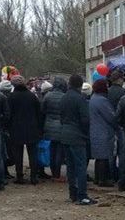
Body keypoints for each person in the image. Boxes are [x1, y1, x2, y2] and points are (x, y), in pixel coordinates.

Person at [59, 75, 96, 205]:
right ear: (80, 85)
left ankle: (72, 193)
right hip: (77, 136)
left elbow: (61, 117)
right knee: (80, 167)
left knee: (70, 166)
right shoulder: (80, 99)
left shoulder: (64, 98)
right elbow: (85, 120)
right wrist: (86, 134)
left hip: (65, 134)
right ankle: (82, 195)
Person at [7, 75, 43, 185]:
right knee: (33, 154)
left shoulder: (11, 97)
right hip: (32, 128)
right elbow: (39, 113)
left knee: (18, 154)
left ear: (13, 84)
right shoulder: (32, 96)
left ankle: (19, 176)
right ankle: (33, 176)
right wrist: (40, 128)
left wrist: (8, 127)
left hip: (16, 128)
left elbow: (8, 114)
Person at [89, 79, 117, 187]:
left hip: (95, 130)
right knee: (104, 157)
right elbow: (111, 116)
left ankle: (97, 178)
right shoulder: (102, 100)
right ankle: (103, 179)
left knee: (98, 157)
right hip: (103, 131)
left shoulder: (93, 98)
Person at [42, 77, 67, 181]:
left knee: (52, 150)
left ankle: (53, 173)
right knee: (59, 152)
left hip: (49, 125)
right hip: (61, 126)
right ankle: (57, 173)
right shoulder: (64, 97)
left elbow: (43, 111)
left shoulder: (47, 96)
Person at [107, 70, 125, 182]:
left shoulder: (107, 92)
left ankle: (112, 174)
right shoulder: (124, 93)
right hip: (122, 125)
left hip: (110, 124)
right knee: (122, 152)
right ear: (119, 79)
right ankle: (122, 175)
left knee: (112, 152)